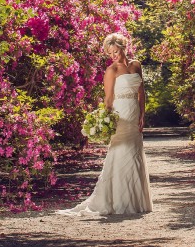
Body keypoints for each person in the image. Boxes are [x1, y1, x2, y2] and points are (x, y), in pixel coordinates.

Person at [58, 32, 153, 215]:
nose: (113, 56)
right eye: (110, 53)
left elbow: (142, 92)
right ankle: (117, 201)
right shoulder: (111, 71)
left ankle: (136, 201)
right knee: (120, 154)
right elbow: (108, 100)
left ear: (123, 48)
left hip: (133, 115)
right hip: (119, 115)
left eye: (115, 51)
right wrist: (104, 121)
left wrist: (142, 114)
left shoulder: (136, 65)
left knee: (135, 155)